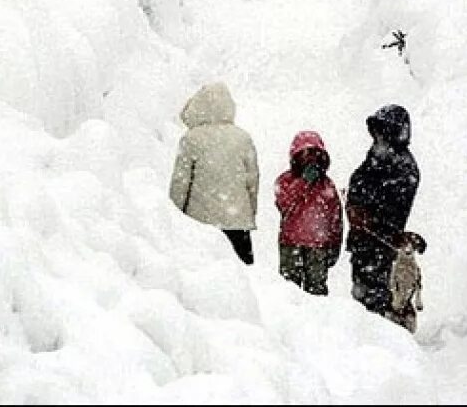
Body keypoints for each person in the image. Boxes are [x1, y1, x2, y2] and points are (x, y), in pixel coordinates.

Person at [168, 82, 260, 264]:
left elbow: (181, 183)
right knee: (243, 278)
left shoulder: (191, 139)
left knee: (204, 275)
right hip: (237, 223)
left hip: (200, 223)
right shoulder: (243, 139)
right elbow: (252, 182)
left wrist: (175, 217)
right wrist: (249, 212)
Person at [344, 103, 420, 317]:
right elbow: (359, 180)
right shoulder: (378, 156)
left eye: (382, 130)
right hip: (365, 241)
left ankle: (384, 338)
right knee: (362, 295)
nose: (377, 136)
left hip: (381, 243)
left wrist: (365, 211)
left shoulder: (403, 166)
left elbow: (392, 205)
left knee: (380, 298)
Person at [274, 130, 344, 296]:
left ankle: (317, 321)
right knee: (289, 292)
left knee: (316, 292)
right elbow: (284, 204)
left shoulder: (326, 185)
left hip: (318, 247)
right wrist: (303, 182)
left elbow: (335, 217)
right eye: (305, 154)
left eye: (315, 154)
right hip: (291, 244)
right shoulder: (285, 181)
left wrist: (335, 245)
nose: (310, 160)